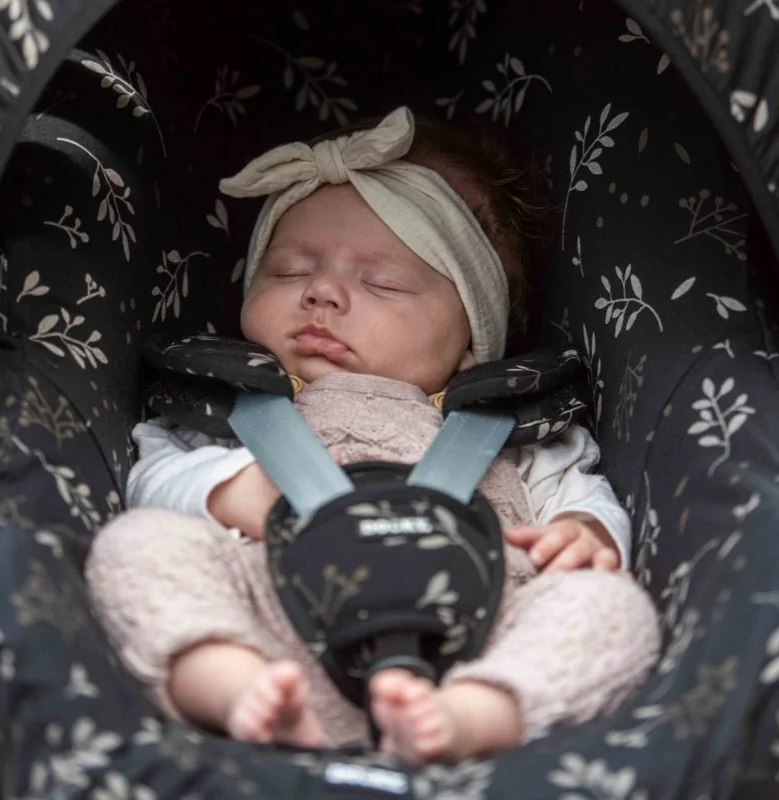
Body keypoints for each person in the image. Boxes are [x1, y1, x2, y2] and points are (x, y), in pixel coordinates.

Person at [85, 107, 660, 765]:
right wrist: (228, 489)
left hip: (477, 631)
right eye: (289, 271)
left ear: (475, 341)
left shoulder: (518, 430)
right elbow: (151, 481)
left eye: (382, 282)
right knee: (137, 544)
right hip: (268, 625)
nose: (322, 293)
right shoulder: (222, 409)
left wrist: (585, 534)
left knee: (608, 605)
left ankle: (474, 716)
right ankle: (230, 684)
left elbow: (582, 498)